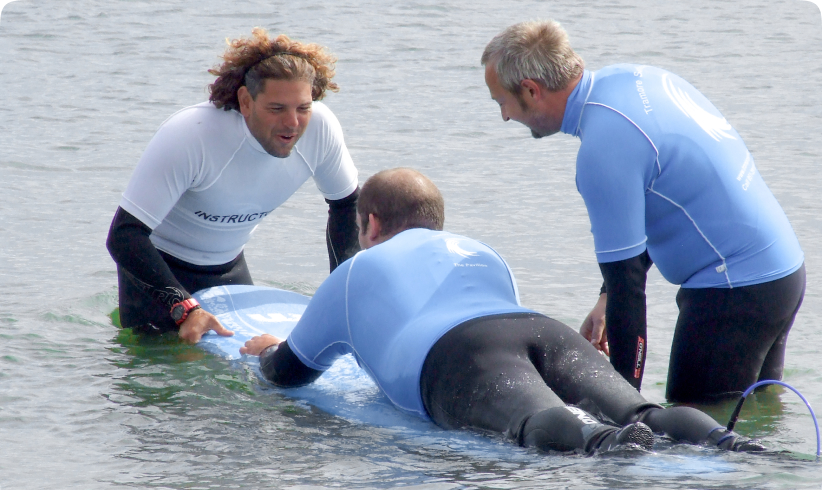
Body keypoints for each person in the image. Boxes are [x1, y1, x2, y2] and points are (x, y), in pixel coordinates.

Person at [240, 168, 764, 454]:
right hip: (543, 330)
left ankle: (601, 443)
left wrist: (269, 350)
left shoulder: (352, 273)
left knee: (534, 420)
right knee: (644, 413)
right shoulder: (480, 250)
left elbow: (288, 374)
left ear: (370, 224)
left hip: (458, 355)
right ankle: (728, 442)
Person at [481, 20, 805, 402]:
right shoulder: (634, 79)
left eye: (501, 102)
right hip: (782, 273)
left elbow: (628, 292)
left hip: (733, 293)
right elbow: (664, 198)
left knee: (696, 444)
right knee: (748, 429)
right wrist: (606, 297)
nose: (504, 117)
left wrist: (624, 411)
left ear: (531, 91)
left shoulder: (603, 150)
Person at [106, 28, 360, 343]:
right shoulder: (192, 135)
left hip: (229, 267)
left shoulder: (321, 131)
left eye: (303, 108)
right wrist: (184, 308)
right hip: (157, 273)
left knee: (250, 380)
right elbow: (124, 235)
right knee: (161, 377)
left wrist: (344, 299)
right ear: (246, 101)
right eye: (277, 108)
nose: (293, 123)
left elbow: (346, 205)